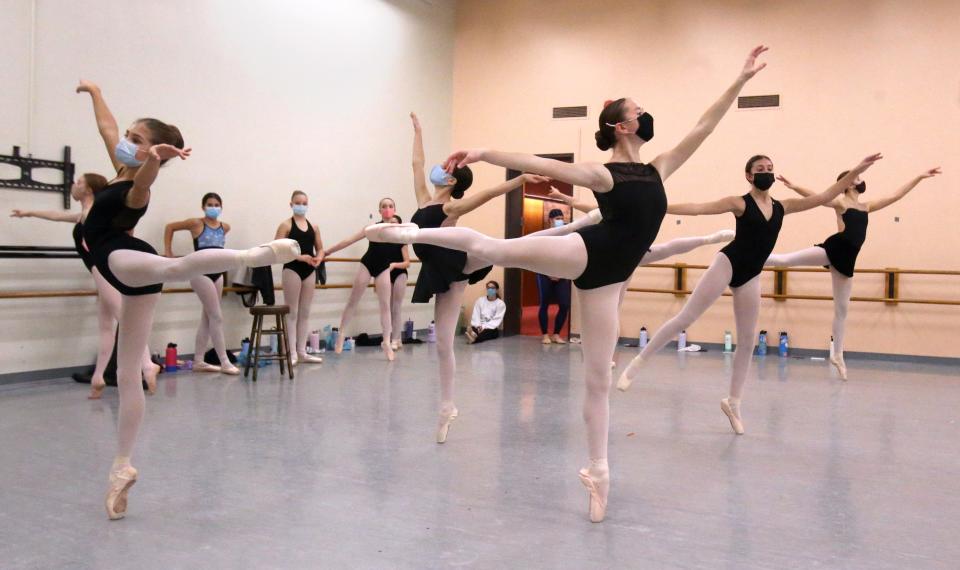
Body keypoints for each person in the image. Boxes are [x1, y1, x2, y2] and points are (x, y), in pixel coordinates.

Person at [366, 47, 770, 522]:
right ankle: (415, 233)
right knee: (496, 249)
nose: (644, 115)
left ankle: (598, 473)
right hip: (587, 253)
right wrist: (483, 153)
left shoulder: (659, 166)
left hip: (610, 280)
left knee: (597, 379)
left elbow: (704, 126)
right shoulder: (604, 173)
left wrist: (740, 80)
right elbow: (542, 163)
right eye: (637, 111)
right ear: (622, 126)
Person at [76, 79, 299, 520]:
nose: (125, 142)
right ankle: (121, 466)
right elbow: (107, 129)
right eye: (130, 137)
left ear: (151, 152)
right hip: (131, 268)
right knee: (129, 369)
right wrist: (97, 91)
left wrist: (154, 162)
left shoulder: (137, 184)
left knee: (174, 266)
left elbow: (142, 184)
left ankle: (248, 255)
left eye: (136, 140)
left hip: (119, 256)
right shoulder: (120, 167)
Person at [616, 153, 883, 438]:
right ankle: (636, 364)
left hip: (751, 274)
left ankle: (733, 403)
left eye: (770, 168)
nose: (766, 172)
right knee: (686, 318)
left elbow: (824, 196)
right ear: (749, 175)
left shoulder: (783, 207)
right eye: (760, 169)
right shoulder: (740, 203)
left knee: (747, 341)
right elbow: (697, 208)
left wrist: (858, 167)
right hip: (727, 264)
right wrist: (658, 207)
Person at [402, 112, 547, 444]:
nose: (438, 168)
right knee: (443, 343)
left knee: (499, 249)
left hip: (458, 261)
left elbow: (489, 194)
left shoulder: (451, 209)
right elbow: (416, 164)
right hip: (438, 269)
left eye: (446, 169)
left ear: (451, 181)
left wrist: (519, 181)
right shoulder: (425, 199)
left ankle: (548, 244)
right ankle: (447, 405)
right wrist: (419, 131)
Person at [765, 166, 940, 379]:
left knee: (842, 310)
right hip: (833, 249)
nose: (860, 178)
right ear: (847, 184)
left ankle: (837, 355)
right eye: (856, 176)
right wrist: (794, 187)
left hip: (847, 260)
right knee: (785, 260)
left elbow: (896, 195)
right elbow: (818, 197)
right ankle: (746, 253)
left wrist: (919, 177)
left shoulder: (866, 206)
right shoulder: (841, 202)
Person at [10, 173, 160, 398]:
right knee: (106, 327)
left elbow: (122, 232)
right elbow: (57, 216)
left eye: (79, 182)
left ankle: (147, 364)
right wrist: (29, 212)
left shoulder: (92, 215)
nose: (74, 185)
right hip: (99, 272)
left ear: (89, 190)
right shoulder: (86, 214)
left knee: (125, 320)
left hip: (103, 271)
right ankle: (99, 378)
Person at [163, 192, 241, 375]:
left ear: (221, 207)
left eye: (216, 204)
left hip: (218, 273)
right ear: (203, 206)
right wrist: (168, 250)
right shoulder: (196, 223)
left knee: (207, 317)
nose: (213, 207)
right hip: (200, 272)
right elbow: (170, 227)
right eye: (210, 204)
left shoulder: (225, 227)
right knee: (216, 316)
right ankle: (224, 361)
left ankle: (198, 360)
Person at [324, 200, 411, 360]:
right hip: (367, 264)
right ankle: (342, 333)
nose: (387, 209)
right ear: (379, 210)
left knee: (385, 306)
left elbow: (416, 237)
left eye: (390, 206)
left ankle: (386, 341)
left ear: (395, 210)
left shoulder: (399, 233)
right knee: (353, 300)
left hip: (383, 268)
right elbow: (349, 240)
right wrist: (328, 251)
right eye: (384, 206)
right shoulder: (371, 228)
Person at [274, 191, 325, 365]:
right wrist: (298, 257)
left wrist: (318, 257)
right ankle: (291, 351)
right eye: (298, 202)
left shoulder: (314, 226)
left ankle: (302, 351)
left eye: (304, 202)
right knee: (292, 312)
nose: (301, 205)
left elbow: (320, 248)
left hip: (310, 269)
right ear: (291, 204)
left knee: (305, 312)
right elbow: (276, 249)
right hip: (292, 268)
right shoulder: (286, 225)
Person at [535, 209, 572, 344]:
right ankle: (545, 334)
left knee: (564, 304)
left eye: (561, 218)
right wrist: (549, 273)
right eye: (557, 218)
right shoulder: (543, 235)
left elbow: (569, 256)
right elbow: (537, 257)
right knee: (544, 304)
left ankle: (556, 334)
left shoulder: (568, 235)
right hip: (544, 274)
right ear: (550, 220)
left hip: (562, 275)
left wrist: (561, 273)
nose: (560, 221)